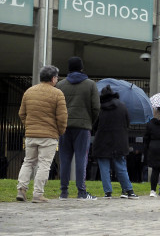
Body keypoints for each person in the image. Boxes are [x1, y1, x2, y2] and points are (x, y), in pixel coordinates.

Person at [16, 65, 68, 203]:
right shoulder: (58, 94)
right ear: (52, 78)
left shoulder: (29, 92)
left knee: (28, 162)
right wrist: (60, 131)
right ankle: (38, 194)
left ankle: (21, 189)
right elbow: (62, 117)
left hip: (31, 135)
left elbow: (22, 113)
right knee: (44, 164)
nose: (57, 79)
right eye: (57, 77)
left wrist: (29, 126)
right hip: (49, 135)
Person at [57, 56, 100, 200]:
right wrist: (89, 122)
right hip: (83, 127)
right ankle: (81, 192)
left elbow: (56, 107)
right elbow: (96, 107)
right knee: (82, 159)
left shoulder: (61, 85)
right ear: (82, 68)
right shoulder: (90, 84)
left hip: (64, 127)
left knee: (64, 159)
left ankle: (63, 192)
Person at [92, 85, 139, 199]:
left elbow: (95, 126)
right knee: (121, 166)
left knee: (104, 168)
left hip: (102, 141)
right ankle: (129, 191)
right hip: (119, 141)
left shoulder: (100, 108)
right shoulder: (122, 106)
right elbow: (128, 123)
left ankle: (108, 192)